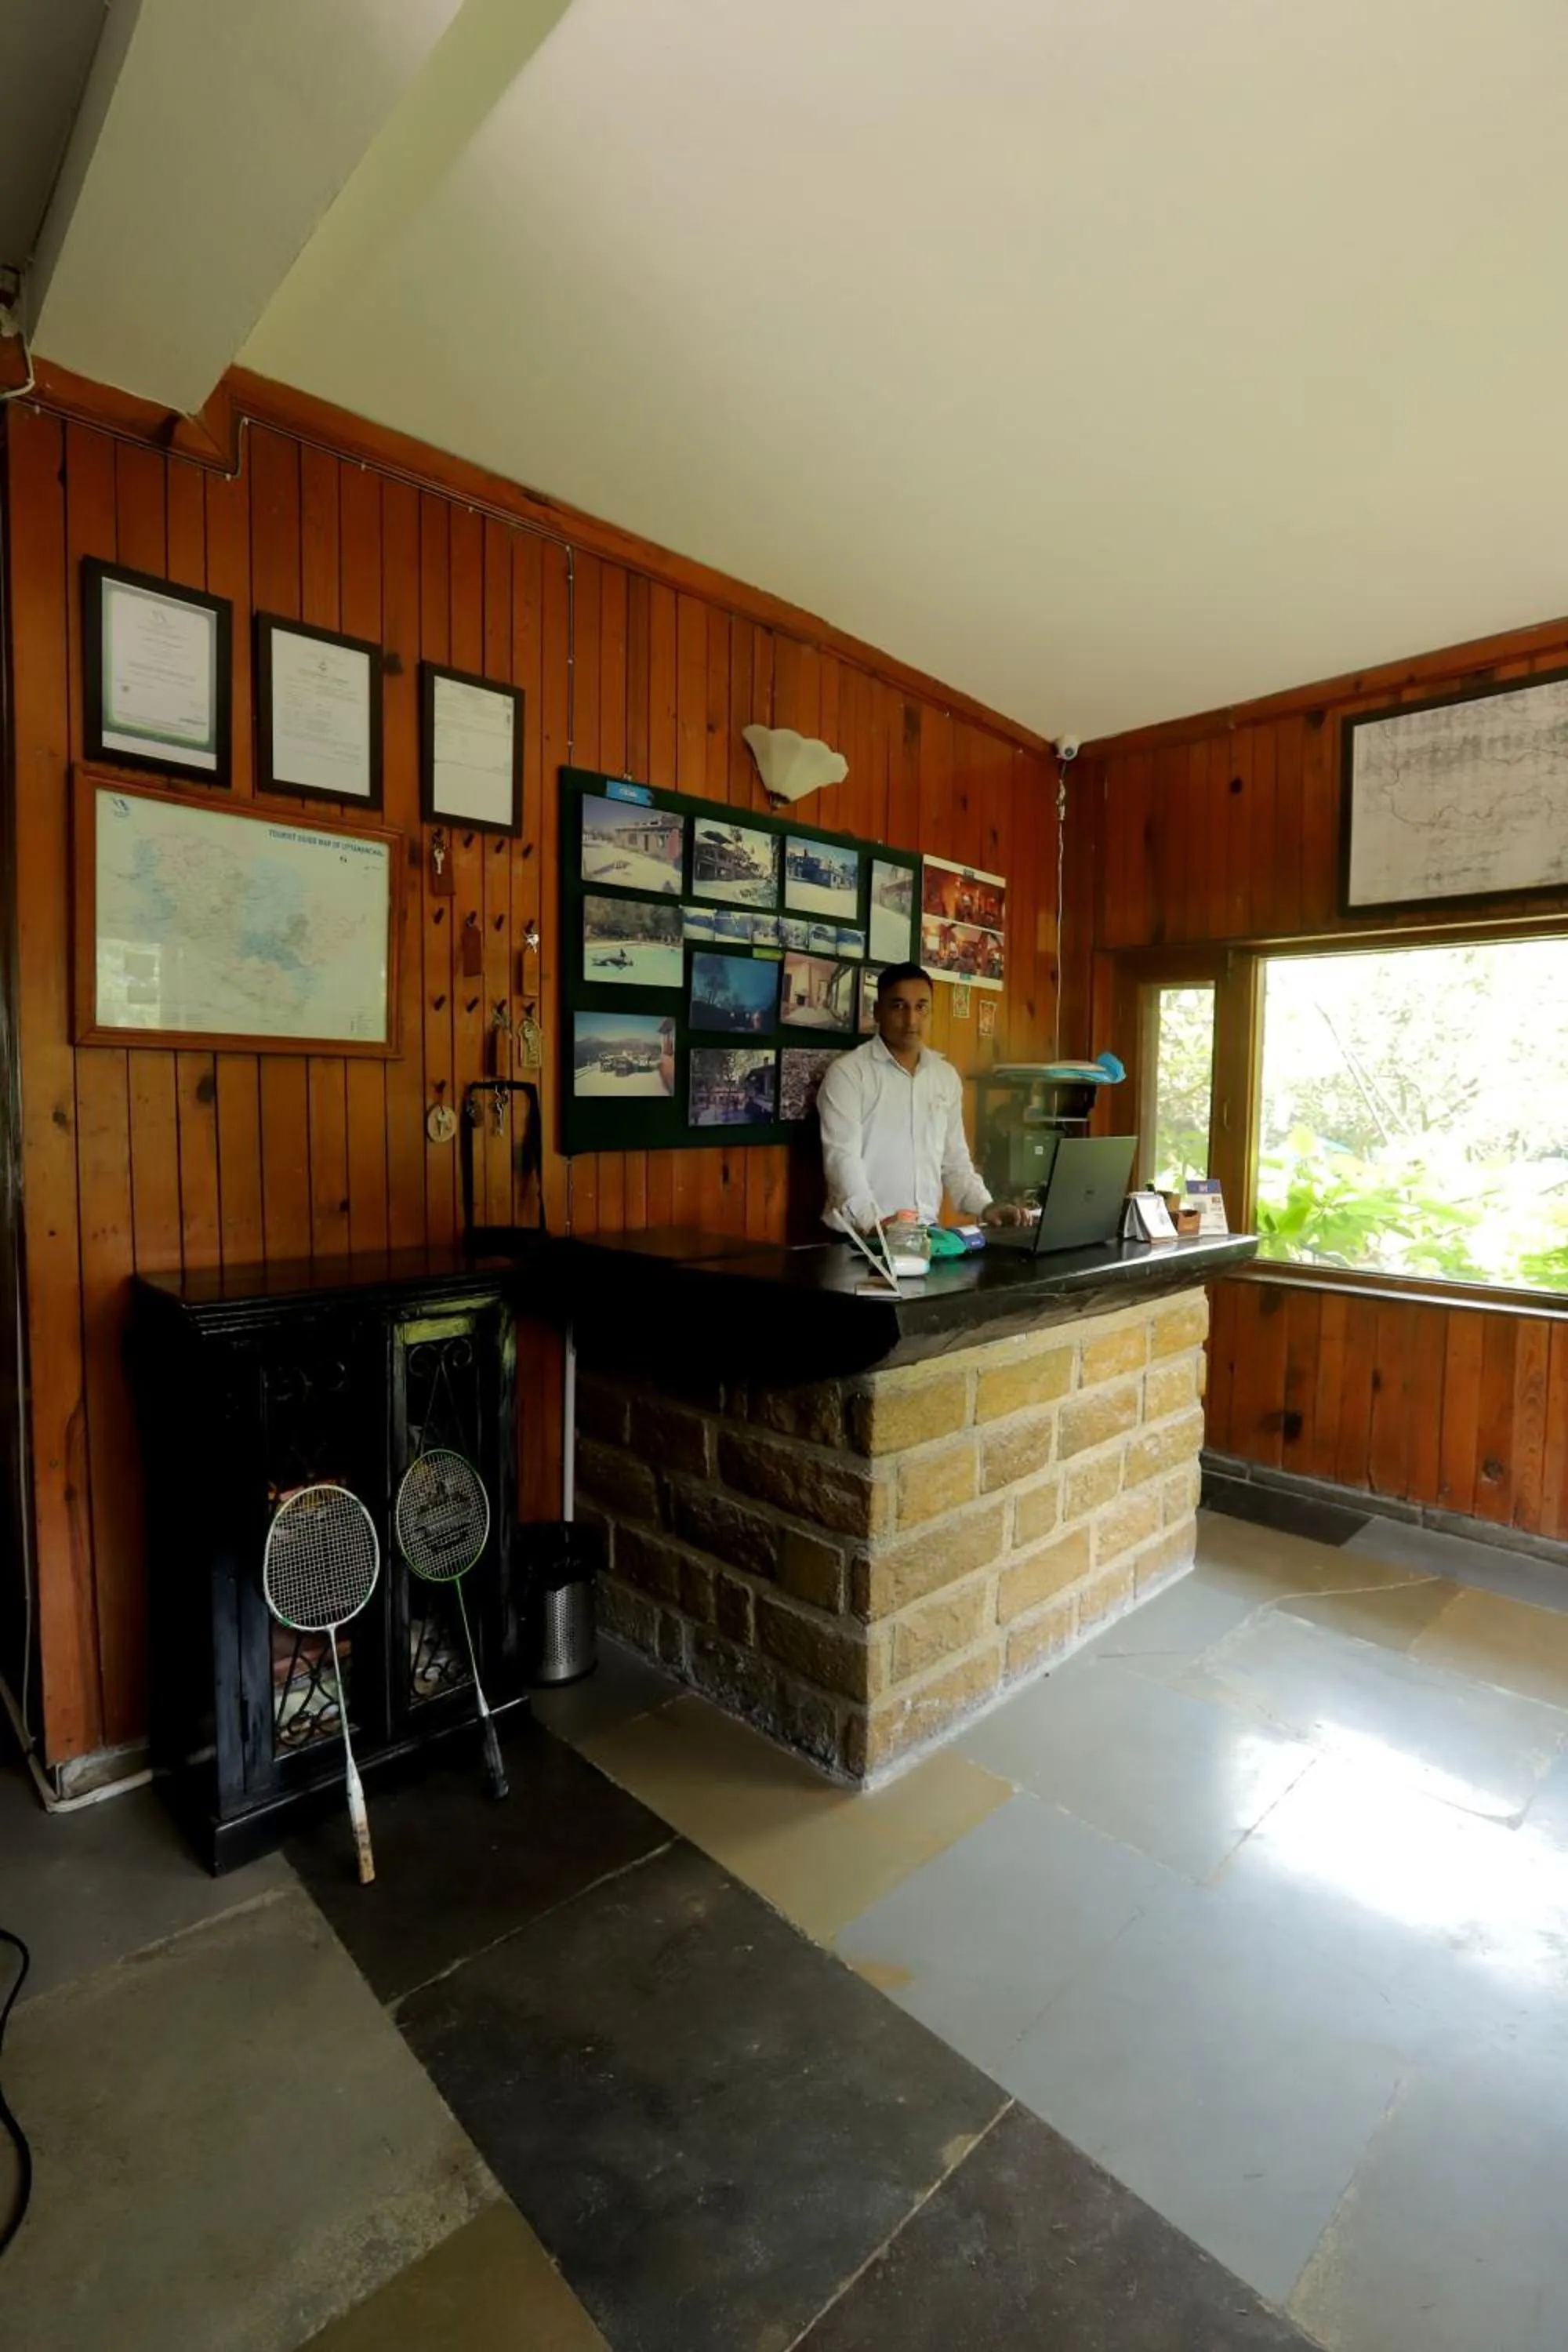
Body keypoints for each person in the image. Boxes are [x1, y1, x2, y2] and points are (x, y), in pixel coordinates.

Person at [816, 964, 1024, 1233]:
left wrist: (986, 1206)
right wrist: (873, 1223)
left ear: (931, 1012)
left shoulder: (945, 1076)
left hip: (924, 1235)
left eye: (921, 1007)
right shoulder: (848, 1074)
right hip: (861, 1237)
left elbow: (956, 1161)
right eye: (898, 1006)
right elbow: (841, 1159)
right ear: (877, 1011)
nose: (911, 1020)